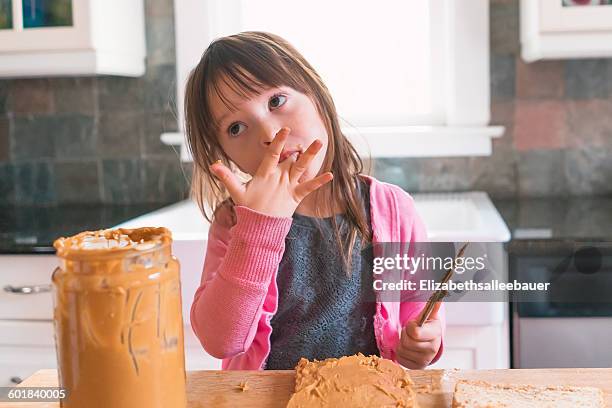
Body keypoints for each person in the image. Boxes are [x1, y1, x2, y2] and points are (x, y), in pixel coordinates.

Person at [185, 31, 445, 370]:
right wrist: (258, 228)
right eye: (236, 127)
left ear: (317, 96)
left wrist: (425, 340)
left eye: (276, 102)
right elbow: (221, 341)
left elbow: (417, 307)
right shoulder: (234, 224)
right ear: (223, 154)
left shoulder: (394, 209)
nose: (268, 135)